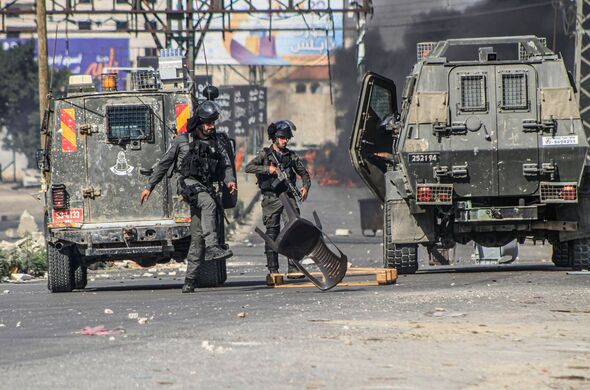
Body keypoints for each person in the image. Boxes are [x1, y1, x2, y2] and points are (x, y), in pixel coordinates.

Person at [140, 100, 237, 293]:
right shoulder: (182, 140)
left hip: (206, 186)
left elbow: (226, 165)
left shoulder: (217, 142)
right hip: (187, 185)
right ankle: (212, 247)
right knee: (208, 204)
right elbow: (164, 164)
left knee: (197, 236)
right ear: (200, 123)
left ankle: (189, 281)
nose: (211, 127)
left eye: (213, 123)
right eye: (208, 123)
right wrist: (149, 186)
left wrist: (230, 181)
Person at [245, 120, 311, 276]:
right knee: (272, 232)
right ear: (275, 138)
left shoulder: (291, 156)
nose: (285, 140)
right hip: (271, 198)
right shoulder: (265, 154)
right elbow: (249, 167)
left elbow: (304, 174)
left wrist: (305, 187)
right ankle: (273, 269)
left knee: (294, 230)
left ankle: (294, 266)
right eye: (282, 138)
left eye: (287, 138)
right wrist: (268, 169)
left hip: (288, 197)